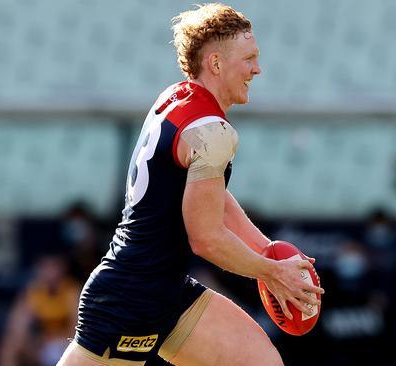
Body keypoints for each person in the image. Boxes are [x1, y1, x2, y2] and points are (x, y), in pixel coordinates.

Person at [57, 4, 324, 366]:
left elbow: (207, 194)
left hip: (167, 291)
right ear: (215, 63)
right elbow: (206, 238)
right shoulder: (212, 132)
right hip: (130, 298)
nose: (257, 69)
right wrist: (273, 273)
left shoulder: (175, 97)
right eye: (249, 58)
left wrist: (265, 249)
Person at [0, 253, 80, 366]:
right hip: (42, 345)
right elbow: (17, 326)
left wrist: (59, 342)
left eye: (53, 267)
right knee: (10, 344)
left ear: (62, 269)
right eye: (45, 267)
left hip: (66, 343)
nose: (49, 272)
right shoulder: (33, 291)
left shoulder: (72, 290)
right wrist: (32, 340)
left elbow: (78, 327)